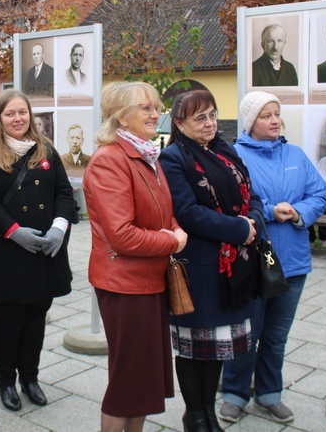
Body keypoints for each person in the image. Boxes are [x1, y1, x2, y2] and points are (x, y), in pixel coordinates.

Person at [83, 81, 187, 432]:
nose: (156, 114)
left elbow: (162, 210)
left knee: (142, 382)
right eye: (146, 108)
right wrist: (172, 241)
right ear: (121, 118)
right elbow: (122, 235)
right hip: (124, 285)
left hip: (148, 281)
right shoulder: (109, 161)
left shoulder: (146, 155)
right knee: (128, 381)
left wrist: (171, 228)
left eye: (156, 107)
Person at [0, 89, 75, 413]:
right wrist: (14, 232)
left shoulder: (46, 149)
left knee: (36, 317)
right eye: (10, 114)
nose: (18, 119)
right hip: (2, 252)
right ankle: (6, 382)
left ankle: (30, 378)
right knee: (6, 320)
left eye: (22, 113)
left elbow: (63, 192)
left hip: (42, 249)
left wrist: (59, 227)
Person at [220, 91, 326, 424]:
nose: (276, 120)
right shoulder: (234, 156)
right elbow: (229, 204)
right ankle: (235, 393)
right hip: (251, 261)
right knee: (246, 333)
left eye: (277, 114)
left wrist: (299, 213)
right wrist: (269, 210)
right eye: (267, 115)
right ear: (251, 121)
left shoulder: (295, 154)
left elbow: (318, 193)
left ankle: (268, 394)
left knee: (276, 335)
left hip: (293, 262)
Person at [159, 89, 262, 432]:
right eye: (200, 117)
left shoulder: (225, 150)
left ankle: (208, 414)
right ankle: (195, 415)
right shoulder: (173, 157)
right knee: (194, 347)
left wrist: (255, 223)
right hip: (201, 267)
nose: (210, 122)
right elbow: (187, 212)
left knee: (217, 344)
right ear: (179, 123)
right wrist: (239, 229)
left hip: (233, 268)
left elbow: (252, 193)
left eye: (213, 114)